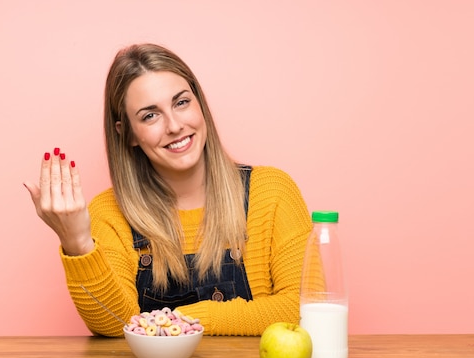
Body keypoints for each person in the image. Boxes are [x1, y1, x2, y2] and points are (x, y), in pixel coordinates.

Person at [24, 43, 313, 337]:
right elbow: (114, 324)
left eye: (181, 102)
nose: (175, 126)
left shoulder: (273, 192)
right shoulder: (109, 213)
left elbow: (303, 310)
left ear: (199, 104)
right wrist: (78, 243)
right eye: (150, 115)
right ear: (128, 134)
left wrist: (182, 321)